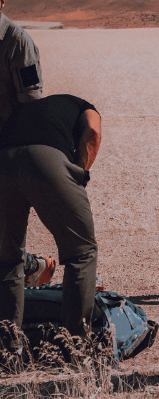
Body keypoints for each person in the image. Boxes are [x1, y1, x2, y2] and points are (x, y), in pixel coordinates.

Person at [0, 94, 101, 337]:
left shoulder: (27, 111)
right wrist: (80, 174)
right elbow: (93, 132)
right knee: (81, 253)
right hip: (46, 160)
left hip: (3, 161)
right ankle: (77, 345)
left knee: (7, 260)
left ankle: (8, 349)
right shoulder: (86, 108)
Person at [0, 0, 55, 289]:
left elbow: (32, 107)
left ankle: (35, 269)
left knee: (6, 238)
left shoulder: (17, 43)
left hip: (8, 152)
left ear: (3, 1)